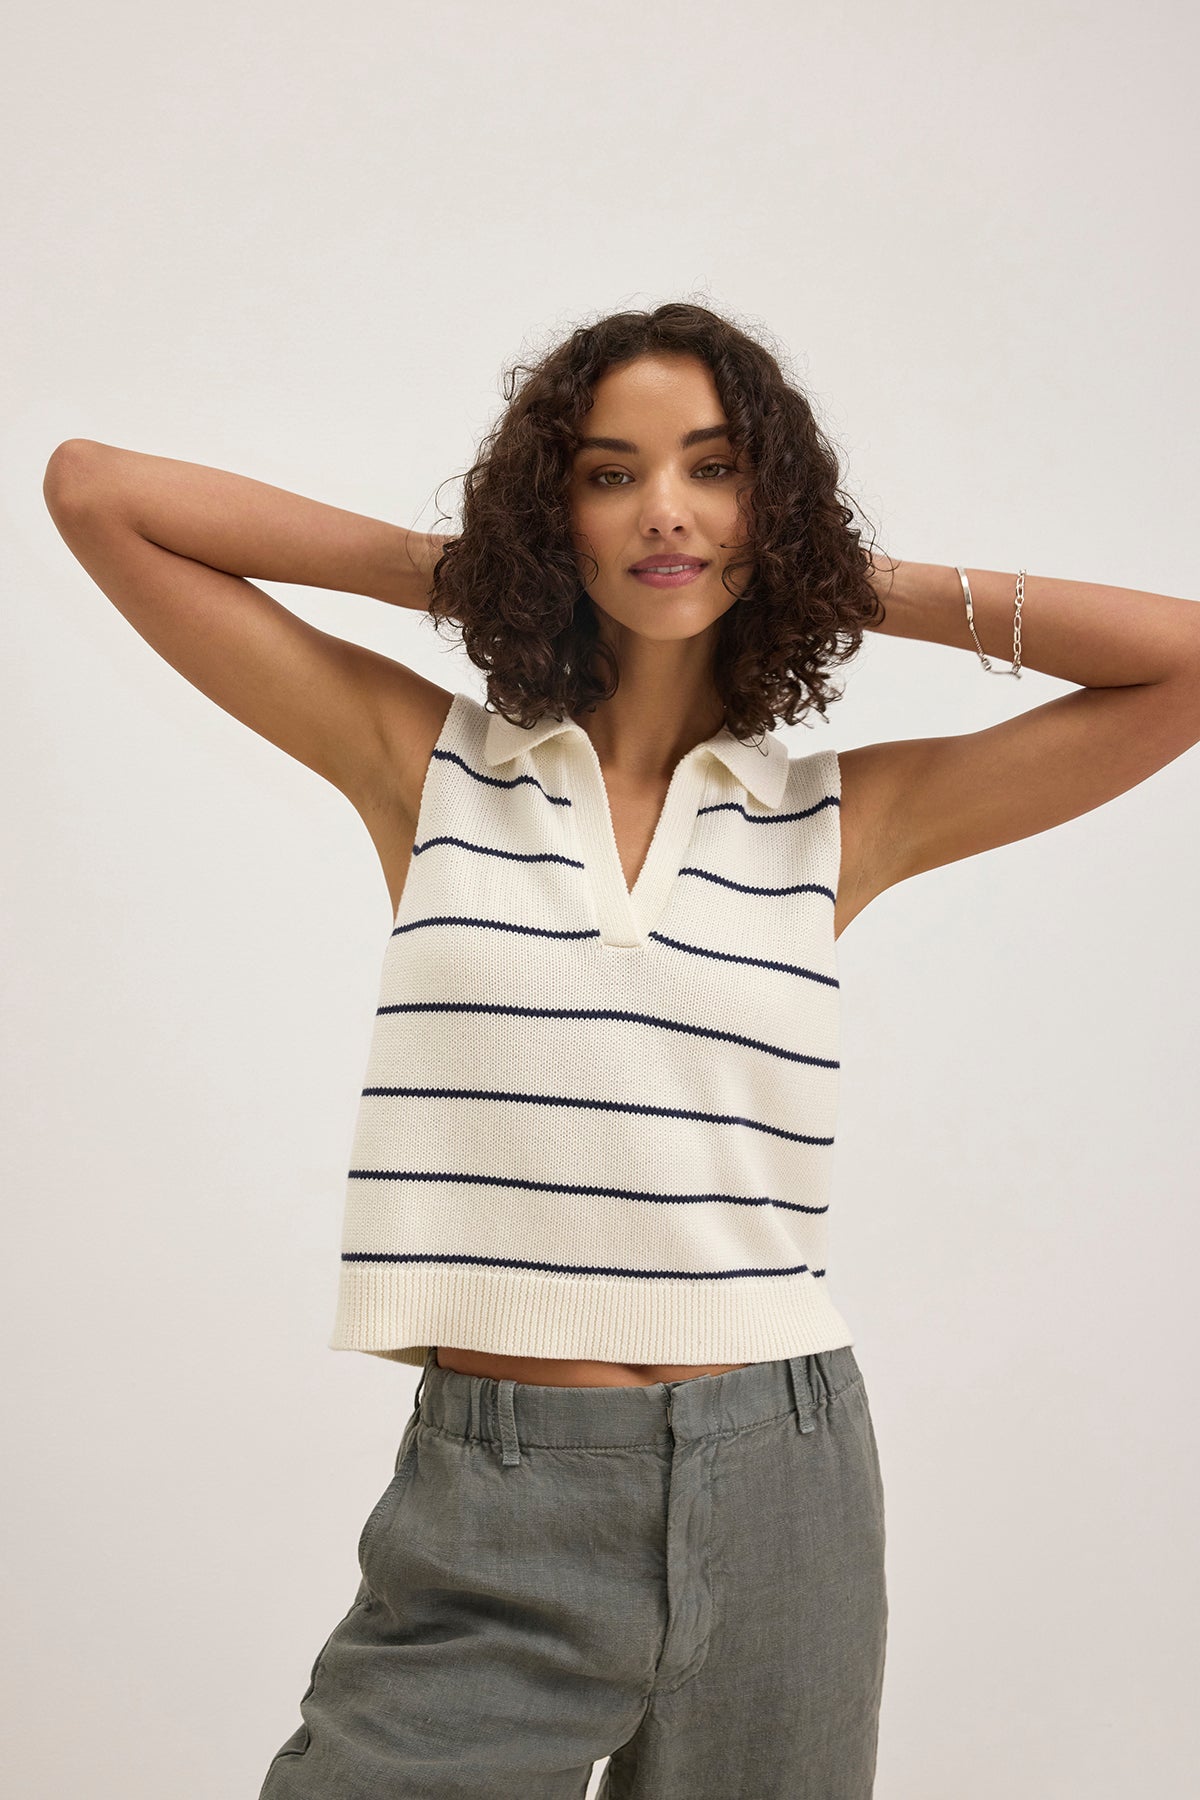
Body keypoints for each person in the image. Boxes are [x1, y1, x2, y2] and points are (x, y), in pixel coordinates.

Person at [42, 302, 1200, 1799]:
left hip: (784, 1479)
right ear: (555, 509)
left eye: (714, 471)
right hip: (502, 1495)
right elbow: (97, 492)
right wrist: (491, 573)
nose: (665, 508)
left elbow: (1179, 662)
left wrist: (831, 574)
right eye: (608, 476)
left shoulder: (833, 820)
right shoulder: (430, 765)